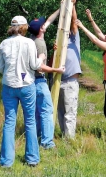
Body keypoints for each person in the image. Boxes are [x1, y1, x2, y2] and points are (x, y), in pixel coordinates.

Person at [0, 16, 46, 168]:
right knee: (30, 121)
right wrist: (41, 58)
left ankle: (6, 161)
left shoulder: (3, 44)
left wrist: (10, 72)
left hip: (9, 86)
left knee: (9, 121)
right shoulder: (29, 43)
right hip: (26, 85)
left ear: (11, 27)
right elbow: (35, 65)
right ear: (24, 27)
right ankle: (32, 159)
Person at [76, 9, 106, 138]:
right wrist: (90, 17)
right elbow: (98, 33)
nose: (105, 35)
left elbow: (96, 40)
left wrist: (82, 26)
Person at [27, 8, 65, 149]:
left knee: (36, 111)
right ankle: (47, 142)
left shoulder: (31, 40)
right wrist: (56, 70)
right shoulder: (40, 44)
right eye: (43, 24)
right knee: (46, 111)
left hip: (30, 82)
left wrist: (60, 9)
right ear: (41, 29)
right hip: (39, 81)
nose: (45, 24)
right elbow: (39, 67)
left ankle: (37, 137)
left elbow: (48, 20)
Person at [57, 0, 82, 139]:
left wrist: (72, 6)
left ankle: (69, 140)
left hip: (70, 82)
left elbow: (74, 22)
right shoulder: (59, 43)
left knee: (70, 112)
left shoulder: (74, 39)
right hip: (58, 80)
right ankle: (63, 136)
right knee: (60, 111)